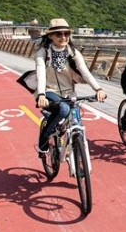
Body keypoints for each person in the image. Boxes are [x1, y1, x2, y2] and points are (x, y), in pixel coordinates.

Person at [34, 18, 107, 154]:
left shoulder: (73, 52)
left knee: (76, 122)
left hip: (69, 94)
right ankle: (43, 140)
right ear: (50, 36)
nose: (63, 37)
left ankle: (77, 152)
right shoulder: (43, 53)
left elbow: (85, 72)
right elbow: (41, 74)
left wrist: (98, 89)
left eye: (66, 34)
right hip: (49, 91)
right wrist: (41, 94)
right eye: (59, 34)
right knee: (63, 109)